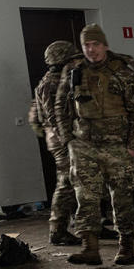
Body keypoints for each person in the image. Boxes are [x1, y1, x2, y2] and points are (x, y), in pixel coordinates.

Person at [55, 23, 134, 265]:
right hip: (83, 145)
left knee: (122, 196)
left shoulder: (124, 72)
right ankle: (90, 248)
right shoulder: (73, 71)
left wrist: (133, 145)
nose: (91, 50)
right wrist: (68, 140)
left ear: (105, 45)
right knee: (85, 197)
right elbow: (60, 108)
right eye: (87, 45)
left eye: (96, 44)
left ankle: (126, 246)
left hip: (117, 145)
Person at [28, 40, 80, 245]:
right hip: (61, 140)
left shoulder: (60, 80)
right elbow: (54, 117)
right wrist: (67, 141)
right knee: (66, 182)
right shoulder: (51, 83)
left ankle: (87, 224)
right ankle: (57, 230)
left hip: (64, 137)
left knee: (80, 182)